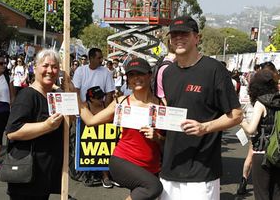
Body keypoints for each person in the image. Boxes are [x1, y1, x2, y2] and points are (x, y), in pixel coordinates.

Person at [160, 16, 242, 200]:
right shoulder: (168, 73)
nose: (178, 38)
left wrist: (204, 127)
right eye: (174, 35)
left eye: (184, 34)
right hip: (170, 168)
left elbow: (236, 115)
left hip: (201, 172)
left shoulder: (214, 70)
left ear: (197, 38)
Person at [79, 58, 164, 200]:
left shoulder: (162, 105)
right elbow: (90, 121)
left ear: (149, 75)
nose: (136, 78)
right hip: (123, 162)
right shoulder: (121, 102)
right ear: (128, 79)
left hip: (151, 168)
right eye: (131, 75)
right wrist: (74, 95)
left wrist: (158, 137)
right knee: (154, 188)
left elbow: (168, 143)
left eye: (140, 73)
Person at [5, 49, 64, 199]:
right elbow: (12, 131)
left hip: (44, 176)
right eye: (45, 66)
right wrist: (46, 126)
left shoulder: (54, 97)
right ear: (35, 67)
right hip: (27, 178)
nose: (50, 70)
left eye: (55, 66)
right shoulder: (27, 95)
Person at [72, 47, 115, 188]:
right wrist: (80, 109)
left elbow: (109, 92)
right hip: (84, 110)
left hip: (101, 110)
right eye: (98, 58)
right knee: (84, 143)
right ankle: (86, 173)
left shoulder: (107, 73)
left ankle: (105, 175)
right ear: (90, 58)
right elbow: (76, 91)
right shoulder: (80, 71)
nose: (101, 60)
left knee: (102, 143)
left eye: (102, 57)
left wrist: (106, 111)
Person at [240, 69, 280, 200]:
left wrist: (242, 121)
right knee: (276, 192)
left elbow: (251, 130)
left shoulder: (260, 103)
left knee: (262, 193)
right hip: (277, 152)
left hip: (262, 152)